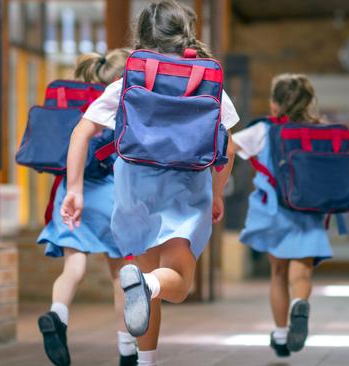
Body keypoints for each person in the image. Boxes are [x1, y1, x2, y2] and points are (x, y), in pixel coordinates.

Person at [60, 2, 239, 366]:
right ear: (185, 33)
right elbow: (229, 144)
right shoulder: (206, 80)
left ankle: (146, 360)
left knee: (142, 278)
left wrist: (74, 189)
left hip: (134, 189)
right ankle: (150, 287)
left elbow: (83, 131)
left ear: (142, 35)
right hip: (185, 190)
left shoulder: (129, 79)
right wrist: (218, 192)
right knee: (175, 282)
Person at [36, 49, 139, 366]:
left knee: (74, 269)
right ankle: (126, 351)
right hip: (110, 195)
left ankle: (58, 315)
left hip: (72, 191)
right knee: (120, 275)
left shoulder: (76, 103)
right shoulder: (118, 101)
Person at [231, 74, 333, 358]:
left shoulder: (263, 129)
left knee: (278, 272)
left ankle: (280, 334)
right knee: (301, 271)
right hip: (310, 211)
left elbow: (226, 148)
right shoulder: (321, 130)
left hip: (274, 210)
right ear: (308, 102)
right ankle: (300, 302)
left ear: (275, 105)